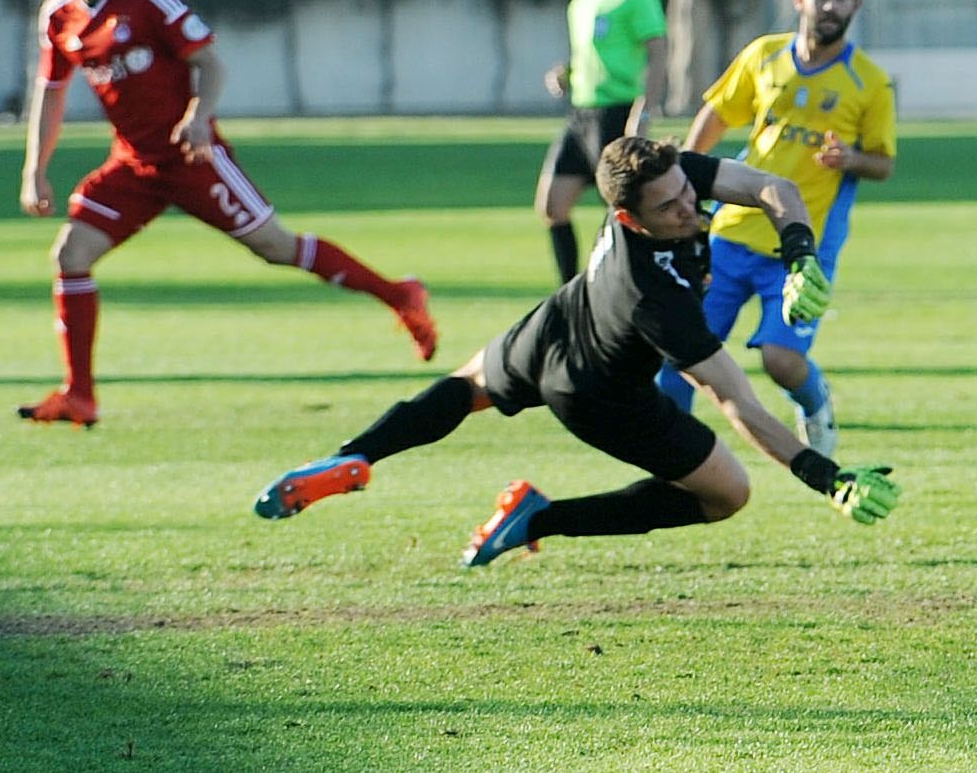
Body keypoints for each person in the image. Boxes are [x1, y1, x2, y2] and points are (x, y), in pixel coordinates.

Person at [252, 137, 900, 565]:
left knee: (463, 388)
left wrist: (797, 255)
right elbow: (736, 401)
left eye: (685, 191)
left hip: (555, 324)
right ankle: (538, 520)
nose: (688, 208)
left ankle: (349, 458)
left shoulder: (660, 179)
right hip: (601, 395)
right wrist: (823, 475)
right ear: (626, 218)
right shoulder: (659, 298)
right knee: (726, 495)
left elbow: (770, 187)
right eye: (669, 207)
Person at [16, 0, 439, 428]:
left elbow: (210, 62)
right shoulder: (58, 17)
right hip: (133, 165)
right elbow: (50, 94)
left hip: (194, 158)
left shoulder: (146, 1)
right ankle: (79, 395)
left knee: (276, 247)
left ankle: (400, 294)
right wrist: (35, 169)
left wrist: (198, 117)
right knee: (71, 253)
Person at [655, 0, 896, 457]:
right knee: (683, 353)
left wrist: (850, 157)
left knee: (780, 360)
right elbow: (718, 113)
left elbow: (882, 163)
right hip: (732, 232)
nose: (831, 4)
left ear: (856, 5)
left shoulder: (869, 83)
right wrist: (685, 175)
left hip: (802, 249)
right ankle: (670, 455)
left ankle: (815, 403)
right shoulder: (764, 56)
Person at [537, 0, 669, 283]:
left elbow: (657, 52)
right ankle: (571, 293)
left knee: (627, 214)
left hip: (617, 111)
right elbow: (592, 50)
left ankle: (642, 285)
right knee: (551, 206)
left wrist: (644, 111)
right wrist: (568, 72)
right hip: (581, 113)